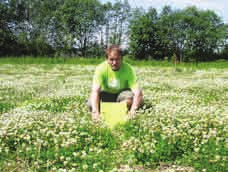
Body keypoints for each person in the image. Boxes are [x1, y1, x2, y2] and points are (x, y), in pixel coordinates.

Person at [87, 45, 143, 121]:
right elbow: (95, 91)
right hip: (106, 94)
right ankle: (117, 108)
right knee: (91, 104)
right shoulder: (100, 68)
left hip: (122, 95)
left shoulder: (129, 69)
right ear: (107, 59)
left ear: (122, 59)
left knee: (132, 100)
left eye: (117, 59)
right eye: (111, 59)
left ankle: (110, 108)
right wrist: (95, 113)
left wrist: (133, 112)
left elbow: (138, 93)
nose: (114, 62)